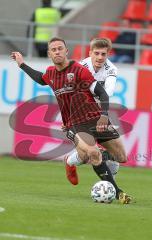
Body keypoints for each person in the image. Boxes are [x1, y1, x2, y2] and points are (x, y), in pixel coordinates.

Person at [11, 37, 131, 204]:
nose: (57, 51)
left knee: (121, 157)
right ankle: (118, 193)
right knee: (94, 154)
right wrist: (21, 64)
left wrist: (104, 115)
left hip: (96, 118)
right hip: (74, 124)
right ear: (49, 54)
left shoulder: (79, 69)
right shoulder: (51, 73)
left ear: (66, 51)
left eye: (60, 48)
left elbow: (102, 93)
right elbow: (40, 78)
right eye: (54, 49)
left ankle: (71, 159)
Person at [65, 38, 127, 183]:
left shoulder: (111, 69)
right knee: (85, 156)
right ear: (90, 53)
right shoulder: (79, 67)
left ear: (108, 54)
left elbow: (108, 91)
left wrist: (103, 113)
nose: (100, 57)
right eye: (97, 53)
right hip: (78, 116)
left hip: (98, 114)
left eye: (103, 54)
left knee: (120, 157)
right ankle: (69, 161)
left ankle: (107, 180)